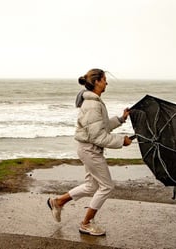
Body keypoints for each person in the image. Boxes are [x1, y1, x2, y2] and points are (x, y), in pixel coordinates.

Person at [47, 68, 132, 236]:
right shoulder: (93, 104)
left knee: (91, 186)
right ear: (97, 82)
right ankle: (86, 223)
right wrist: (122, 141)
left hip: (88, 149)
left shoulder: (95, 102)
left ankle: (58, 201)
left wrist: (121, 119)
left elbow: (101, 126)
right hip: (90, 150)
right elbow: (98, 137)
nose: (106, 82)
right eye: (104, 79)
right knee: (106, 186)